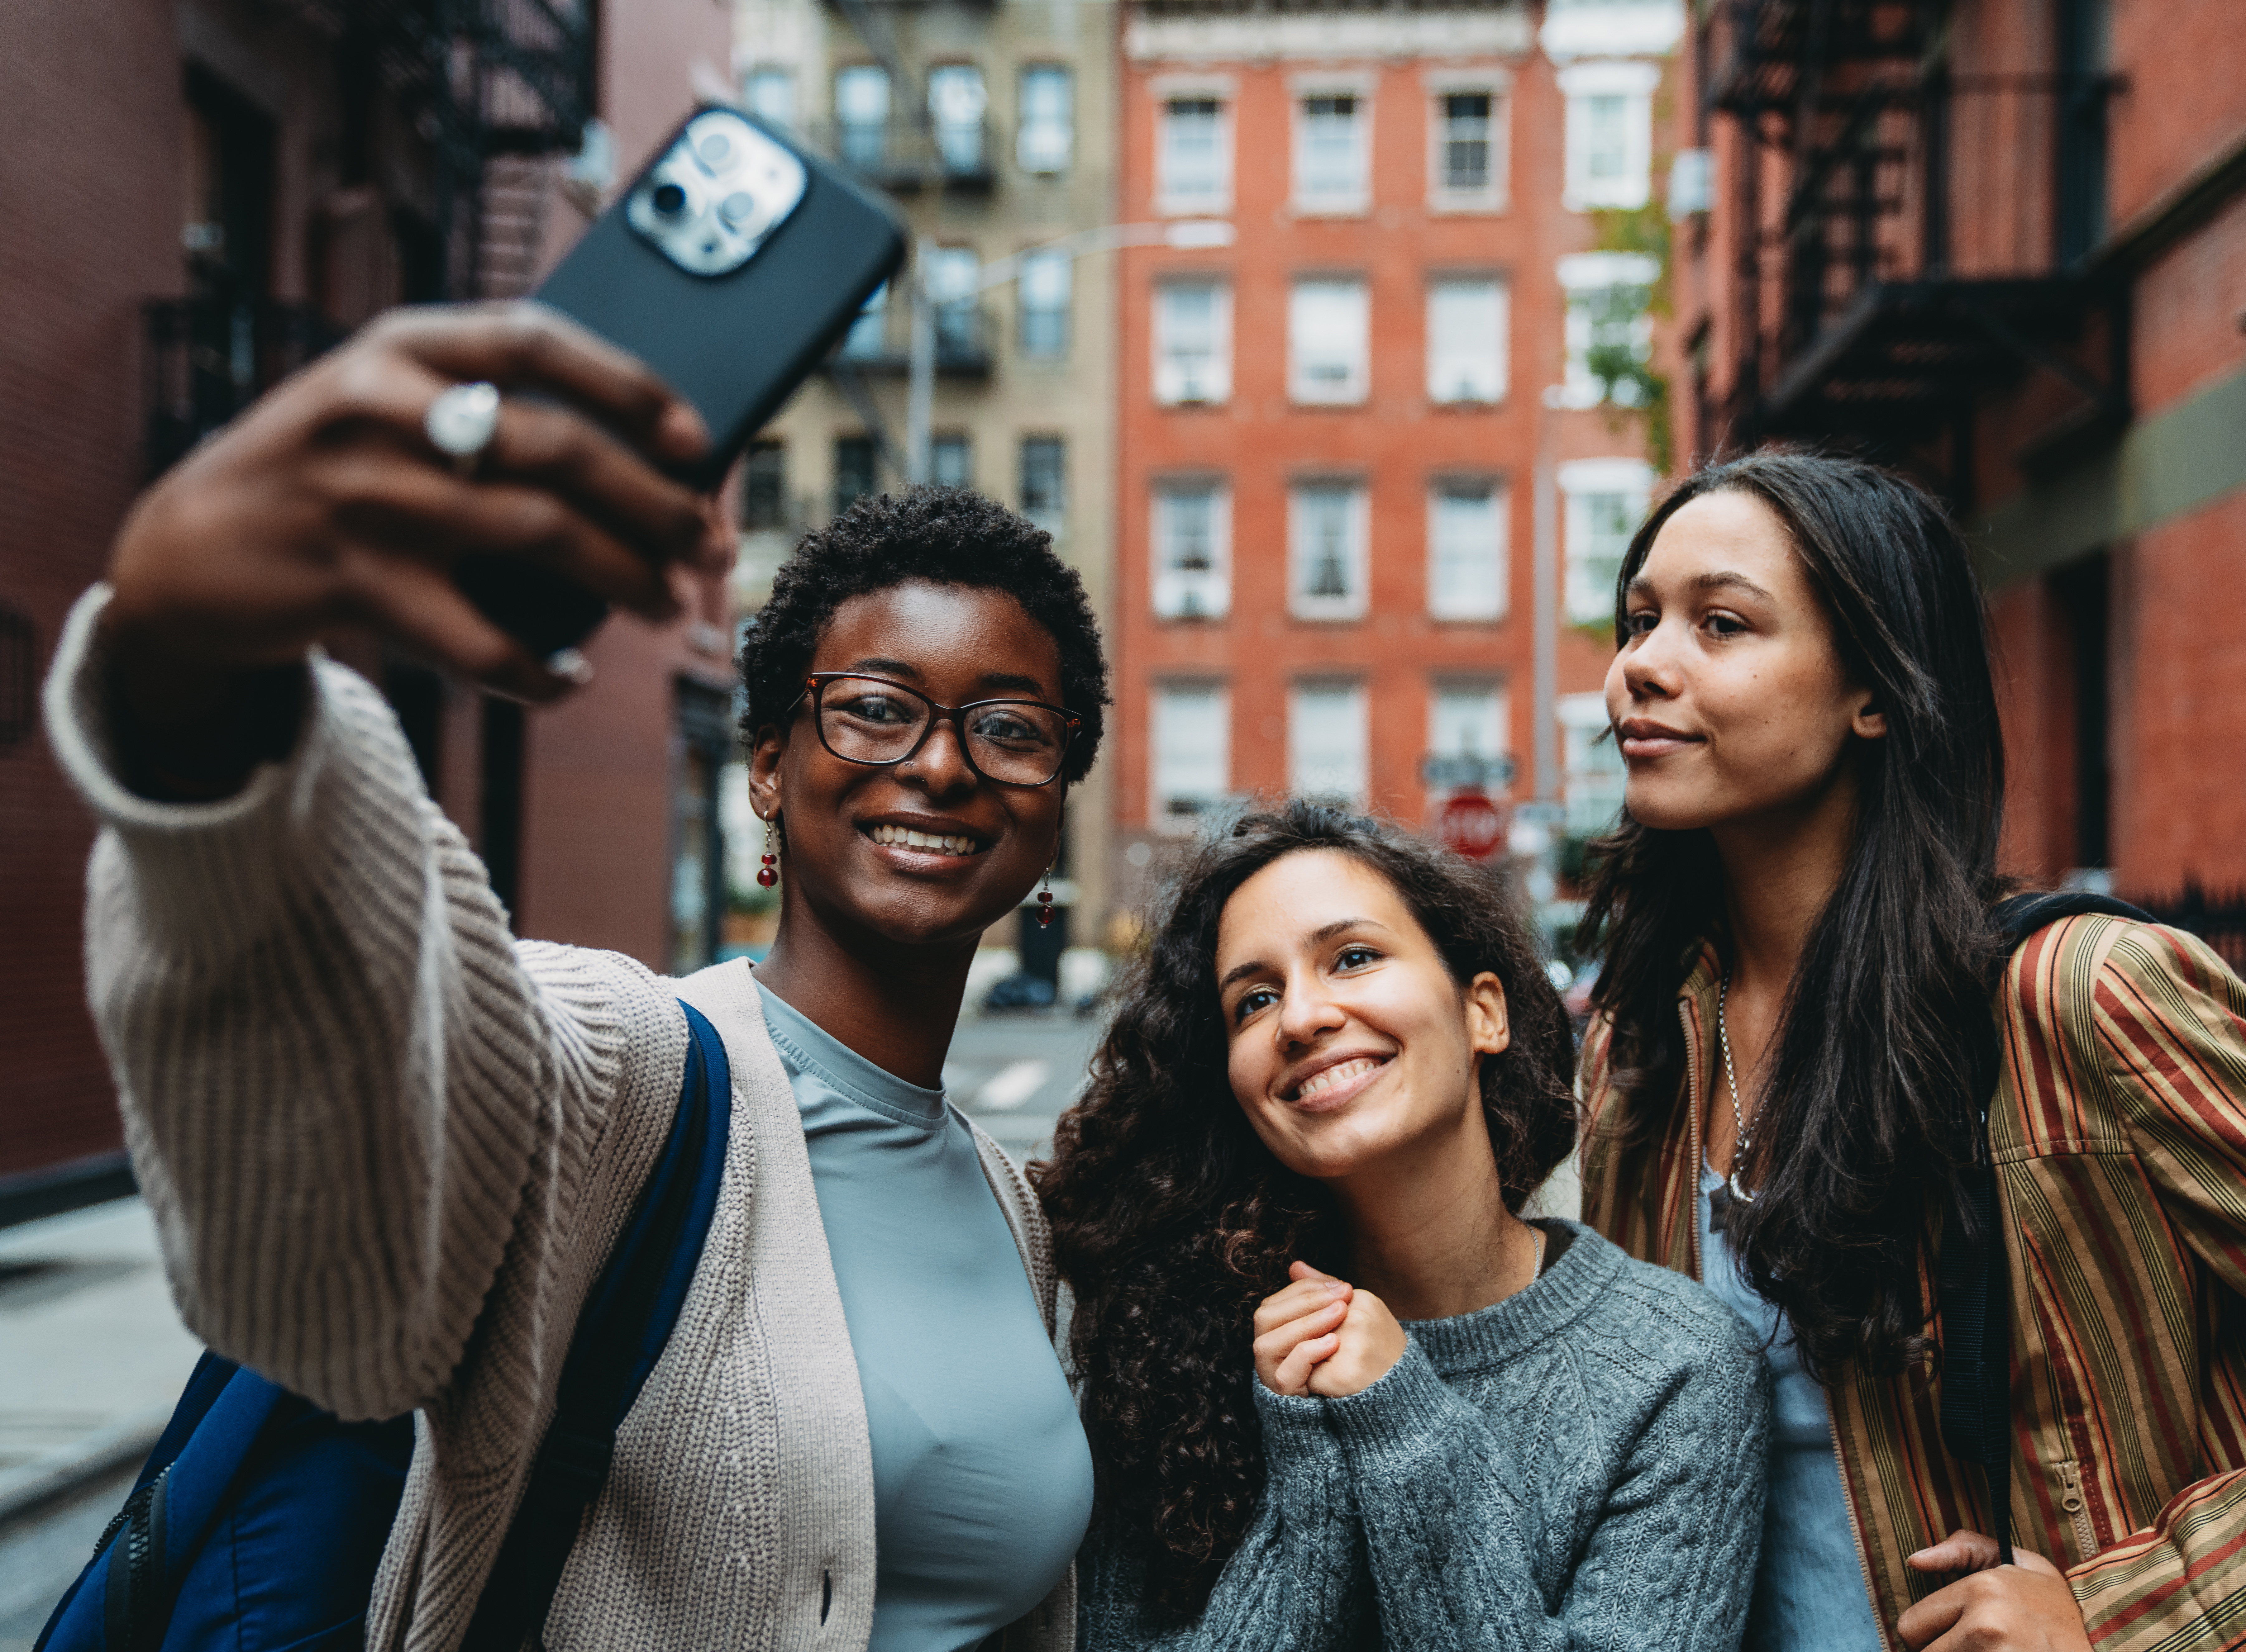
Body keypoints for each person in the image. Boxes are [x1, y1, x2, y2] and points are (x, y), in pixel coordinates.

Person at [41, 301, 1105, 1650]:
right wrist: (197, 693)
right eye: (877, 709)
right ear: (770, 763)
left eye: (1008, 727)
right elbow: (329, 1206)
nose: (944, 765)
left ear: (1056, 794)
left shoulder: (1012, 1216)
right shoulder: (631, 1071)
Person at [1572, 449, 2246, 1652]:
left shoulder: (2081, 1003)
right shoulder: (1644, 1057)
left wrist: (2117, 1623)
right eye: (1640, 621)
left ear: (1874, 692)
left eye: (1720, 623)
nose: (1642, 664)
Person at [1040, 800, 1769, 1651]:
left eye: (1352, 958)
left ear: (1482, 1013)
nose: (1303, 1018)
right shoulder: (1168, 1358)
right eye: (1255, 1000)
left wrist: (1408, 1429)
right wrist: (1309, 1466)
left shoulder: (1676, 1368)